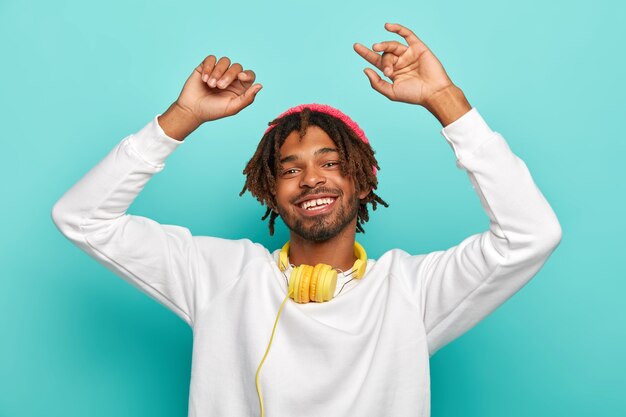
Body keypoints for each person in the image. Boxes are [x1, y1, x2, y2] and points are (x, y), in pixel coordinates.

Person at [51, 22, 562, 417]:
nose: (311, 179)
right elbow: (81, 218)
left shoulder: (412, 292)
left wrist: (443, 101)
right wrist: (181, 118)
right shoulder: (217, 275)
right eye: (290, 169)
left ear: (363, 181)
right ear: (271, 194)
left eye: (331, 162)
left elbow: (531, 235)